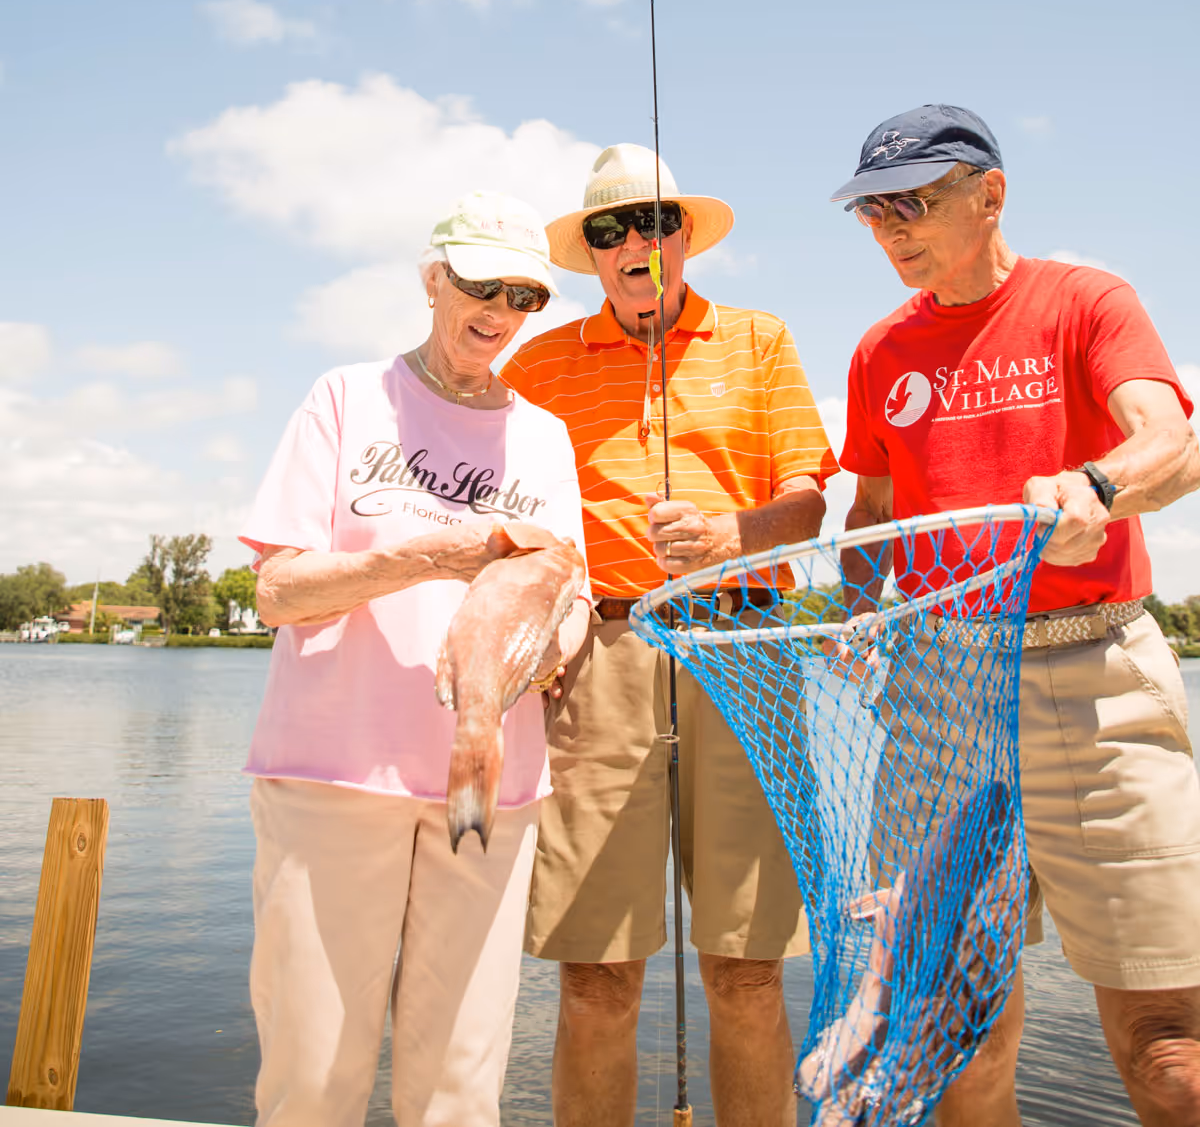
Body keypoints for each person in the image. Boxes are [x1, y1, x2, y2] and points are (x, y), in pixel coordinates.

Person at [831, 104, 1200, 1127]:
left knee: (1168, 1045)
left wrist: (1096, 488)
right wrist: (863, 610)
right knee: (958, 1028)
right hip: (938, 695)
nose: (892, 228)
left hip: (1097, 680)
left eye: (914, 201)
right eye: (873, 211)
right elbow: (870, 513)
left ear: (990, 193)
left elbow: (1169, 438)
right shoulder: (877, 353)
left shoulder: (1086, 298)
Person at [502, 143, 839, 1127]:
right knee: (596, 976)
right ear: (591, 254)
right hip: (597, 660)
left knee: (747, 970)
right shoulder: (539, 365)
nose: (632, 245)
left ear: (684, 234)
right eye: (608, 231)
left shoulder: (760, 338)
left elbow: (811, 499)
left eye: (651, 222)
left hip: (747, 653)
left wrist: (737, 534)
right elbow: (504, 513)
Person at [240, 192, 593, 1127]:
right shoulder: (345, 397)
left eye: (527, 296)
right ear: (433, 278)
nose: (502, 311)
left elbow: (571, 600)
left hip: (492, 784)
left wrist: (555, 640)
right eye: (482, 285)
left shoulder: (546, 437)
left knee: (461, 1084)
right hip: (334, 772)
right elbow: (275, 590)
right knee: (314, 1072)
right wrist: (425, 559)